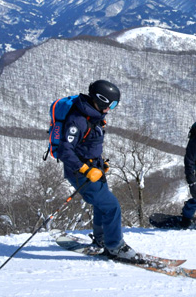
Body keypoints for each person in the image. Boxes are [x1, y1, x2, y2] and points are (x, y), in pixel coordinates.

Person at [57, 79, 139, 260]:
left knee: (102, 206)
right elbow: (65, 150)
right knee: (112, 207)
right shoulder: (78, 120)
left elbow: (88, 145)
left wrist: (99, 163)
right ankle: (115, 247)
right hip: (81, 174)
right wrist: (86, 170)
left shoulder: (92, 115)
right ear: (101, 100)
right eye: (111, 104)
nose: (111, 109)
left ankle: (102, 240)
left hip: (95, 170)